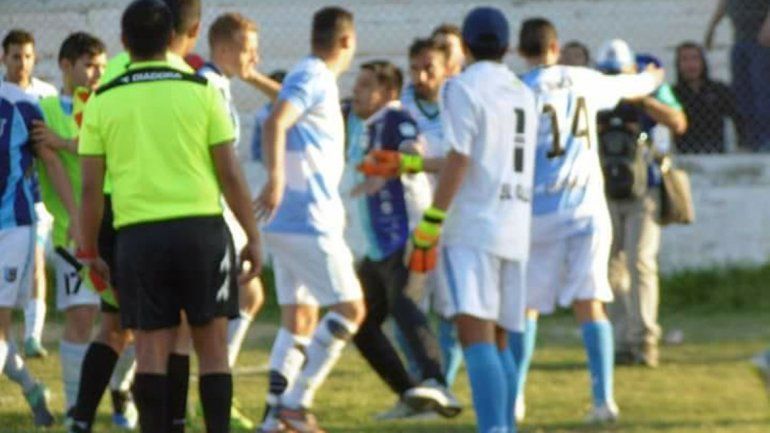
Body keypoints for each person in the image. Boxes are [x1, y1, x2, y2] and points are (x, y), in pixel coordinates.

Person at [78, 2, 261, 433]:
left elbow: (90, 190)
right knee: (212, 349)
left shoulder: (103, 99)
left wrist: (88, 248)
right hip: (202, 232)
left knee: (150, 352)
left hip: (139, 238)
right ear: (172, 39)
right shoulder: (201, 90)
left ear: (124, 42)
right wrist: (253, 236)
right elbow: (230, 174)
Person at [361, 8, 538, 433]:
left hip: (474, 226)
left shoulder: (462, 87)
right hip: (515, 224)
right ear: (508, 46)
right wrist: (411, 163)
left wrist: (432, 222)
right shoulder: (522, 91)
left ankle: (492, 428)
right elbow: (481, 156)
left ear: (466, 47)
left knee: (475, 336)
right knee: (500, 339)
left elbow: (461, 159)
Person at [516, 19, 664, 423]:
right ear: (555, 47)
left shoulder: (519, 90)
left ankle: (515, 398)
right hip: (587, 210)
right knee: (590, 303)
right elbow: (630, 86)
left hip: (540, 211)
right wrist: (652, 77)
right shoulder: (582, 79)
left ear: (520, 51)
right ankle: (603, 401)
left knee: (526, 308)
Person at [69, 1, 205, 432]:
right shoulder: (184, 77)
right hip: (152, 215)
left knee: (116, 327)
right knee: (169, 330)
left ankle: (81, 419)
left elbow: (90, 145)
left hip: (114, 213)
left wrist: (87, 237)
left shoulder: (113, 72)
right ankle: (170, 422)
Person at [253, 7, 365, 433]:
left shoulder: (309, 77)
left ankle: (273, 419)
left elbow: (283, 104)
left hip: (288, 222)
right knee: (351, 309)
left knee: (299, 319)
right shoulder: (315, 75)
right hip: (307, 219)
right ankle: (296, 404)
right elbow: (277, 121)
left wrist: (251, 77)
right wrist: (276, 179)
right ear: (347, 41)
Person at [347, 60, 461, 421]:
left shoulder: (396, 119)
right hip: (378, 245)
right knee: (361, 321)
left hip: (404, 236)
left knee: (405, 306)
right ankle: (410, 393)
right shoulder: (366, 125)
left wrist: (406, 158)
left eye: (365, 86)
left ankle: (436, 381)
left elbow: (413, 148)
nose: (356, 91)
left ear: (388, 92)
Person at [197, 12, 281, 430]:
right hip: (210, 210)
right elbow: (223, 165)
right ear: (225, 48)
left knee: (247, 295)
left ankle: (212, 392)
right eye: (249, 50)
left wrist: (251, 75)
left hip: (216, 210)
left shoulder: (219, 83)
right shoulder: (207, 86)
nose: (255, 57)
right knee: (222, 306)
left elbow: (289, 100)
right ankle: (210, 393)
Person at [594, 40, 687, 369]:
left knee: (640, 262)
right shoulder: (593, 89)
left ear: (632, 69)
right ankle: (620, 341)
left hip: (644, 187)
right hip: (604, 187)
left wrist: (642, 98)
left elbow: (678, 122)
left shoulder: (649, 84)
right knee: (609, 266)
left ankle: (645, 340)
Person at [396, 37, 463, 389]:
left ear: (447, 69)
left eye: (429, 69)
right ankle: (422, 382)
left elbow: (462, 163)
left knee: (452, 309)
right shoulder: (402, 108)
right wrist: (436, 163)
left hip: (456, 221)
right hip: (415, 223)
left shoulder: (460, 105)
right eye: (414, 69)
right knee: (407, 306)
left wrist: (425, 163)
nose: (421, 77)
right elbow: (399, 161)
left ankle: (442, 385)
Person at [0, 79, 56, 429]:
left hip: (12, 227)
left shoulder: (20, 105)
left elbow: (50, 160)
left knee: (0, 324)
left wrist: (75, 214)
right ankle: (33, 389)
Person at [1, 29, 57, 359]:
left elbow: (49, 151)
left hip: (33, 202)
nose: (21, 63)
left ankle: (33, 335)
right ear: (3, 58)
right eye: (15, 57)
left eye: (27, 57)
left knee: (36, 262)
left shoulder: (44, 96)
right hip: (8, 200)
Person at [705, 0, 770, 151]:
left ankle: (765, 139)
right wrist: (711, 29)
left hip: (760, 41)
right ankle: (749, 140)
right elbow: (724, 4)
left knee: (761, 92)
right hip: (740, 40)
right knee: (742, 92)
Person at [673, 41, 740, 153]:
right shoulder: (672, 94)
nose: (690, 65)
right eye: (685, 59)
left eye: (695, 59)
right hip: (684, 153)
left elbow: (737, 116)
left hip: (716, 151)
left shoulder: (719, 90)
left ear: (703, 62)